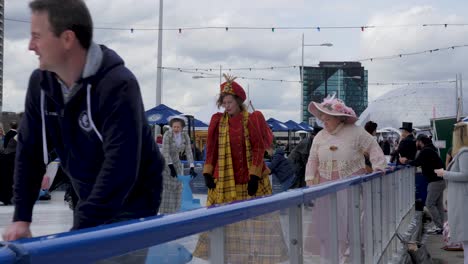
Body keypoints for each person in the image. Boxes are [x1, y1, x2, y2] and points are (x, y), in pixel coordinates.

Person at [2, 1, 164, 256]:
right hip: (85, 190)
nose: (30, 46)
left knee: (112, 257)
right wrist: (22, 217)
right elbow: (31, 154)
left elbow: (120, 168)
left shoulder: (118, 85)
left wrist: (79, 233)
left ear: (67, 39)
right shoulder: (41, 84)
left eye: (37, 37)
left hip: (133, 196)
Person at [194, 74, 287, 263]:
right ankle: (225, 258)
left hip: (248, 181)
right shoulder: (218, 121)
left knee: (254, 224)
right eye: (224, 102)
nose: (226, 106)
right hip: (224, 181)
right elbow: (211, 148)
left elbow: (259, 147)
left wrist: (254, 175)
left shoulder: (251, 119)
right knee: (223, 223)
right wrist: (207, 172)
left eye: (229, 102)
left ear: (238, 101)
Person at [304, 95, 387, 263]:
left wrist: (379, 167)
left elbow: (373, 147)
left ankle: (350, 255)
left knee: (350, 220)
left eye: (327, 117)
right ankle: (334, 257)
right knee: (328, 224)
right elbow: (312, 159)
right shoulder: (319, 136)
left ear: (337, 118)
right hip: (325, 185)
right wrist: (310, 178)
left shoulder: (355, 131)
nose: (323, 121)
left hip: (350, 183)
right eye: (322, 117)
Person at [435, 122, 468, 263]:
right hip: (462, 201)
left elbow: (466, 175)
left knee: (466, 240)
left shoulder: (464, 153)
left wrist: (445, 173)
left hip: (463, 203)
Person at [400, 134, 445, 234]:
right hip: (440, 180)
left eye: (417, 142)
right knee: (438, 204)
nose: (416, 144)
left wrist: (406, 160)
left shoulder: (425, 150)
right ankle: (442, 226)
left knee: (429, 203)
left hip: (434, 181)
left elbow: (417, 162)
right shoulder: (431, 148)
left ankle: (439, 227)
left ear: (420, 141)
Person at [159, 115, 197, 214]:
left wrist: (192, 166)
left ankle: (175, 213)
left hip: (177, 164)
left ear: (182, 127)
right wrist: (170, 167)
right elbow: (165, 152)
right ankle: (165, 214)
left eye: (178, 127)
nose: (176, 129)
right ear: (171, 126)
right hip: (166, 164)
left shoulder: (185, 136)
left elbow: (189, 151)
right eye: (174, 127)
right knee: (167, 190)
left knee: (178, 188)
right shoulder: (167, 134)